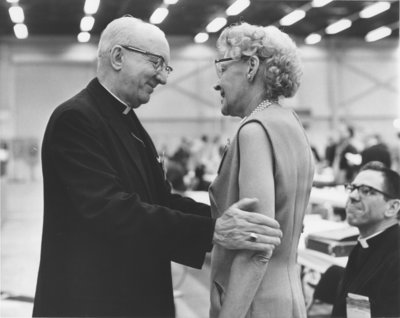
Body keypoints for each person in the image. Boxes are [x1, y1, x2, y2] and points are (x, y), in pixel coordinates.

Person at [32, 16, 283, 318]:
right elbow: (110, 212)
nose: (163, 78)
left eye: (166, 67)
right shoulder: (76, 119)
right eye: (156, 63)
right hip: (93, 301)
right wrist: (213, 230)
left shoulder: (126, 120)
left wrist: (240, 218)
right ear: (118, 57)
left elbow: (160, 200)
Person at [209, 23, 315, 318]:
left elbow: (257, 247)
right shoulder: (291, 123)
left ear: (252, 66)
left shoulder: (254, 130)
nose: (217, 83)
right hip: (289, 297)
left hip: (254, 303)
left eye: (223, 67)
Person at [331, 161, 400, 317]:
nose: (353, 196)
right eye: (352, 188)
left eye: (366, 190)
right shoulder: (364, 245)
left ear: (392, 208)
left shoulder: (396, 259)